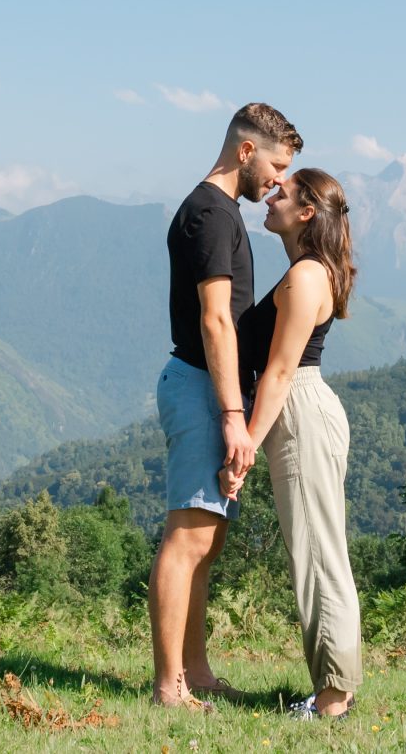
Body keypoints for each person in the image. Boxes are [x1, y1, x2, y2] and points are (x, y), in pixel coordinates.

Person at [148, 102, 303, 710]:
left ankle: (196, 672)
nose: (280, 181)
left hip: (207, 389)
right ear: (246, 151)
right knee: (187, 539)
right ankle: (169, 688)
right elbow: (216, 318)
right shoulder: (211, 215)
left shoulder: (219, 212)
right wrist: (233, 415)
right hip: (202, 389)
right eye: (277, 164)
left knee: (205, 542)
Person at [232, 167, 363, 719]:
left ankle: (331, 699)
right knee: (317, 549)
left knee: (317, 555)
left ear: (307, 211)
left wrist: (244, 447)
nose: (269, 194)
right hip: (303, 411)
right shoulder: (307, 271)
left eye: (281, 193)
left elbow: (281, 372)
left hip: (299, 412)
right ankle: (335, 689)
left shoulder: (307, 276)